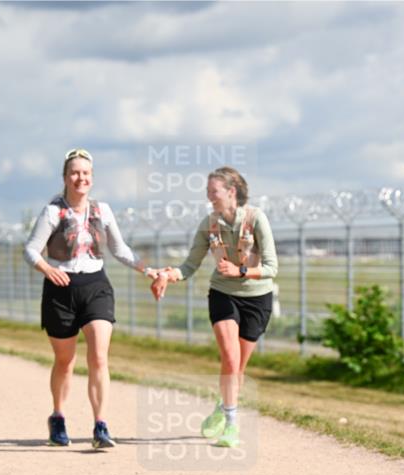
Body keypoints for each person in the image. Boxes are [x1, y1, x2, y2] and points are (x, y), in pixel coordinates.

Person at [23, 148, 158, 449]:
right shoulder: (52, 212)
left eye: (85, 173)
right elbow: (31, 249)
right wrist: (47, 269)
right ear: (65, 177)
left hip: (96, 284)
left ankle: (101, 424)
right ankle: (58, 416)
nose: (80, 178)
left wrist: (147, 269)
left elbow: (120, 250)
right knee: (65, 361)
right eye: (75, 172)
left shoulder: (103, 211)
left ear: (92, 179)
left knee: (99, 356)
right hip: (61, 288)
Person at [151, 166, 278, 448]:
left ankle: (222, 407)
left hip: (258, 298)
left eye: (214, 192)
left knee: (238, 368)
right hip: (222, 293)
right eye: (208, 192)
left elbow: (272, 267)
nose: (209, 197)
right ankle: (233, 425)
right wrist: (167, 275)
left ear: (231, 192)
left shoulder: (257, 219)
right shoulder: (208, 225)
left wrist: (240, 271)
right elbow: (189, 265)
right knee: (230, 359)